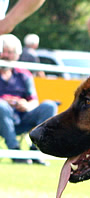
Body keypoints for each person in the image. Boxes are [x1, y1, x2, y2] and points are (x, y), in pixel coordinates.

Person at [0, 33, 56, 164]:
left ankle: (36, 151)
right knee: (1, 106)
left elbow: (34, 101)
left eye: (10, 52)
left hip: (22, 117)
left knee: (49, 106)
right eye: (3, 52)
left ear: (17, 55)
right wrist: (4, 101)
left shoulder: (24, 74)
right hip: (1, 118)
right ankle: (15, 151)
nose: (6, 55)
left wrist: (26, 105)